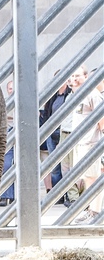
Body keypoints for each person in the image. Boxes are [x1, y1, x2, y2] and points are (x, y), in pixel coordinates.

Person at [61, 65, 104, 224]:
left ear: (86, 77)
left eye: (77, 76)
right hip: (79, 143)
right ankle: (90, 209)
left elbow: (101, 118)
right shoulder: (73, 95)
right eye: (72, 76)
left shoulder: (92, 94)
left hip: (91, 143)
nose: (74, 79)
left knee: (94, 178)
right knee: (85, 178)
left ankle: (95, 212)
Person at [40, 71, 72, 204]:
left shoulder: (70, 94)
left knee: (66, 164)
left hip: (64, 132)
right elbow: (47, 113)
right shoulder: (52, 95)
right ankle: (58, 195)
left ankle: (68, 193)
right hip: (51, 133)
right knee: (54, 165)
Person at [0, 80, 15, 206]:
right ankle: (5, 195)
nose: (12, 90)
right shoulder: (3, 102)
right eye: (10, 88)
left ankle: (17, 195)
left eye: (14, 88)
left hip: (21, 132)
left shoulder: (26, 102)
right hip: (8, 132)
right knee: (6, 164)